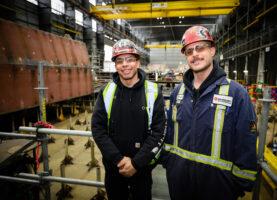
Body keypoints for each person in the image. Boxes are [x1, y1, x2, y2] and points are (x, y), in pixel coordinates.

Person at [161, 26, 257, 200]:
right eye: (189, 51)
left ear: (212, 50)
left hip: (219, 188)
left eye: (200, 48)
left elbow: (246, 140)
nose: (194, 54)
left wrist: (238, 183)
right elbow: (170, 135)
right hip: (180, 184)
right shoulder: (178, 93)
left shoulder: (236, 94)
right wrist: (170, 164)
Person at [91, 39, 166, 200]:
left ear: (137, 63)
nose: (125, 65)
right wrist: (118, 159)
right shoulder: (106, 92)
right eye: (120, 61)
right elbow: (98, 129)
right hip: (114, 170)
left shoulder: (153, 92)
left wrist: (136, 163)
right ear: (116, 66)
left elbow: (159, 132)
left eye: (129, 59)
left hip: (143, 170)